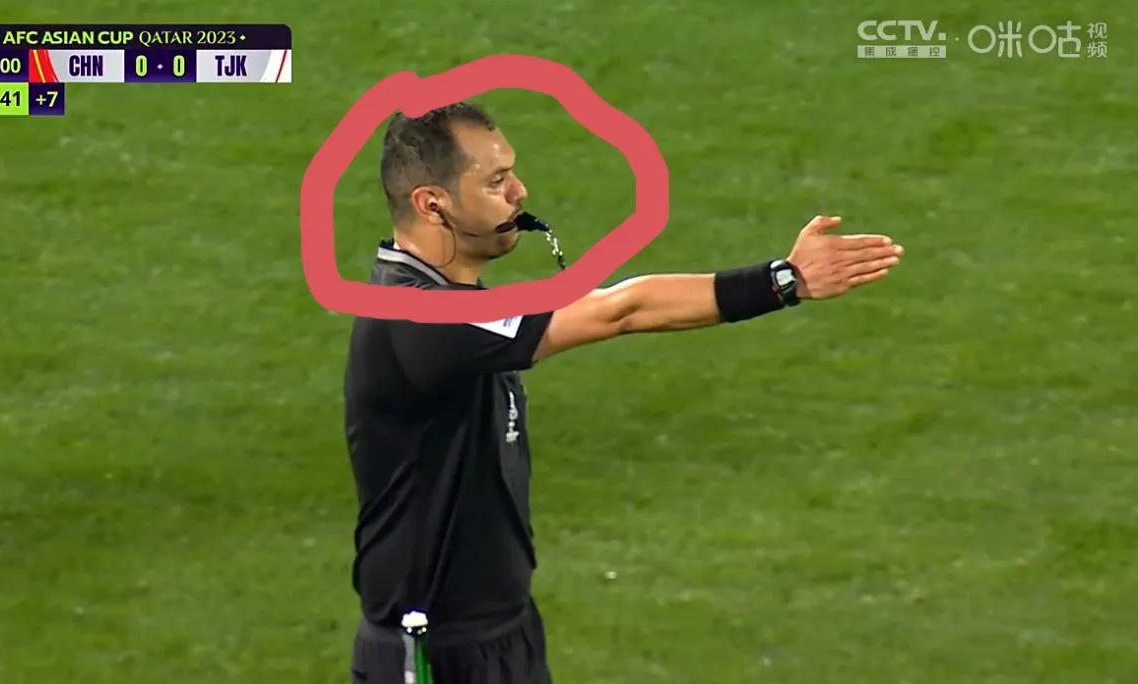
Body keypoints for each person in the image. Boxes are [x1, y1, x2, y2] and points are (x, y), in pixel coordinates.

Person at [343, 101, 903, 683]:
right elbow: (622, 310)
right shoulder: (418, 317)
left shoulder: (452, 306)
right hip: (433, 652)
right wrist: (782, 281)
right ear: (432, 204)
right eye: (495, 181)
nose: (519, 192)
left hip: (501, 633)